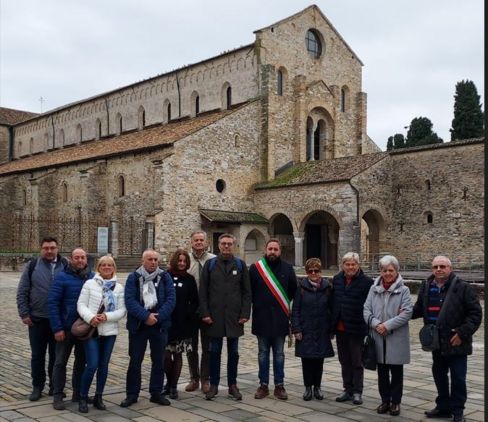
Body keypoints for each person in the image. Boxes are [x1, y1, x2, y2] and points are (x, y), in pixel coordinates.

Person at [413, 256, 481, 422]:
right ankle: (443, 407)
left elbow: (475, 314)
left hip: (455, 340)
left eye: (442, 266)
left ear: (450, 268)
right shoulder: (427, 286)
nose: (438, 269)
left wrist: (462, 333)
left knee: (458, 377)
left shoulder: (463, 287)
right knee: (439, 375)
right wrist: (399, 312)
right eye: (435, 266)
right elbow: (418, 309)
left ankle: (458, 411)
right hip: (436, 341)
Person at [199, 233, 251, 401]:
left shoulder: (240, 265)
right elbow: (203, 292)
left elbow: (246, 292)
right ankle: (214, 385)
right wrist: (205, 313)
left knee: (234, 352)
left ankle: (232, 385)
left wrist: (245, 314)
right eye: (223, 244)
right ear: (219, 245)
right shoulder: (210, 264)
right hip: (214, 317)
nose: (226, 246)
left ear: (234, 246)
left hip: (234, 317)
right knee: (214, 351)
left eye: (229, 243)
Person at [120, 249, 176, 408]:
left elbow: (171, 300)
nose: (153, 262)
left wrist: (157, 317)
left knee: (158, 361)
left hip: (159, 326)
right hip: (139, 326)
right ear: (142, 261)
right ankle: (132, 394)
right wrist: (146, 316)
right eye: (150, 259)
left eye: (155, 260)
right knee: (135, 361)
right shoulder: (133, 277)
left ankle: (156, 392)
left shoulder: (165, 277)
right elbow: (130, 301)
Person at [16, 236, 67, 401]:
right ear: (41, 249)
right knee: (37, 355)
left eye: (52, 248)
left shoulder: (65, 265)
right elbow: (22, 290)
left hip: (57, 320)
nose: (49, 251)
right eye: (46, 248)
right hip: (37, 319)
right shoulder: (32, 266)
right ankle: (37, 386)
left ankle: (55, 386)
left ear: (57, 248)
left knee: (56, 356)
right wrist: (24, 313)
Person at [363, 255, 412, 417]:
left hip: (395, 337)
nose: (388, 273)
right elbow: (366, 310)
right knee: (382, 372)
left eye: (391, 270)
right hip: (377, 336)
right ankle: (385, 400)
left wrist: (387, 326)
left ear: (396, 271)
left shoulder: (404, 290)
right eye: (384, 270)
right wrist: (377, 324)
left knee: (397, 373)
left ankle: (395, 402)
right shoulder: (373, 289)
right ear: (381, 271)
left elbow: (407, 313)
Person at [76, 255, 126, 413]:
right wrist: (91, 318)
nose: (106, 267)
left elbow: (122, 310)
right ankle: (83, 396)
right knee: (92, 364)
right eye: (103, 265)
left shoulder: (118, 288)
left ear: (113, 268)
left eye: (109, 265)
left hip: (109, 331)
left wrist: (107, 316)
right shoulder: (90, 284)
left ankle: (99, 396)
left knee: (103, 366)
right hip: (92, 330)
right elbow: (81, 304)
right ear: (98, 267)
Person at [249, 238, 297, 400]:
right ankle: (263, 385)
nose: (272, 252)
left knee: (279, 354)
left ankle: (279, 385)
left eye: (275, 249)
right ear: (265, 250)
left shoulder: (288, 269)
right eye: (270, 249)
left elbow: (292, 292)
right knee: (262, 353)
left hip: (280, 319)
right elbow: (250, 293)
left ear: (280, 251)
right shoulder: (256, 269)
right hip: (261, 319)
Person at [48, 248, 94, 410]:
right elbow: (53, 303)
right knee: (60, 362)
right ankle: (58, 395)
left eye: (82, 257)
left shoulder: (92, 277)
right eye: (77, 258)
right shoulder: (62, 277)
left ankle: (77, 392)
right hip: (66, 328)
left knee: (81, 362)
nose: (80, 260)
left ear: (86, 259)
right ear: (71, 259)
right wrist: (57, 328)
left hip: (84, 328)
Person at [331, 252, 373, 405]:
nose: (350, 267)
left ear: (358, 265)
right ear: (343, 265)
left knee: (357, 361)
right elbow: (333, 302)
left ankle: (357, 391)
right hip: (340, 327)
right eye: (347, 264)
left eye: (353, 264)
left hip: (357, 328)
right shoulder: (337, 280)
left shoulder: (367, 282)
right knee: (344, 361)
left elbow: (370, 306)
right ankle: (347, 389)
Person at [291, 258, 334, 401]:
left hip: (322, 329)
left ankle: (317, 387)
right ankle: (308, 387)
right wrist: (296, 329)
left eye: (316, 270)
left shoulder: (328, 287)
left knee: (319, 360)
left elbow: (332, 309)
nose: (314, 273)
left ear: (320, 272)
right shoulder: (301, 288)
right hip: (306, 329)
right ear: (307, 272)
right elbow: (295, 309)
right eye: (311, 271)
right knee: (307, 360)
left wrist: (331, 329)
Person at [164, 248, 199, 399]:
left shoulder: (189, 279)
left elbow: (195, 301)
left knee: (178, 355)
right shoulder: (165, 276)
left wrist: (187, 313)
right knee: (165, 356)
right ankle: (168, 382)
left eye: (184, 261)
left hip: (183, 324)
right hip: (167, 322)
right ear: (174, 261)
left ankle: (173, 386)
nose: (182, 263)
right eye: (179, 261)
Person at [186, 230, 215, 394]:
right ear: (191, 242)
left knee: (207, 347)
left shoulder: (213, 260)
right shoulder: (185, 259)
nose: (198, 242)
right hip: (190, 311)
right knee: (191, 346)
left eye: (201, 240)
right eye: (195, 240)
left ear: (206, 242)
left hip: (208, 310)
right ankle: (194, 378)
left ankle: (206, 379)